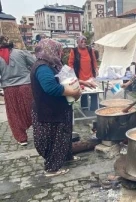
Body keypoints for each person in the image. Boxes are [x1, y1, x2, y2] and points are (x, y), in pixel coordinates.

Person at [31, 39, 82, 177]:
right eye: (58, 50)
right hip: (49, 111)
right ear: (50, 50)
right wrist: (74, 92)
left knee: (64, 135)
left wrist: (79, 82)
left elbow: (61, 79)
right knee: (54, 138)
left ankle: (66, 157)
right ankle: (52, 168)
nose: (60, 53)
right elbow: (51, 88)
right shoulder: (42, 67)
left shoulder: (51, 64)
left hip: (57, 109)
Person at [0, 36, 35, 146]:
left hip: (9, 89)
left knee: (14, 114)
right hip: (26, 86)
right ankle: (39, 132)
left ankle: (22, 138)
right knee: (32, 110)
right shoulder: (20, 52)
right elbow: (34, 64)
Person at [68, 36, 98, 111]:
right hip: (80, 76)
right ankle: (84, 109)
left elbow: (94, 61)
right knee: (83, 93)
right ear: (78, 42)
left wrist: (96, 69)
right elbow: (70, 63)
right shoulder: (74, 51)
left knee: (94, 92)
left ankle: (93, 110)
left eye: (85, 42)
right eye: (82, 42)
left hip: (90, 75)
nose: (84, 43)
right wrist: (72, 74)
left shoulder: (90, 50)